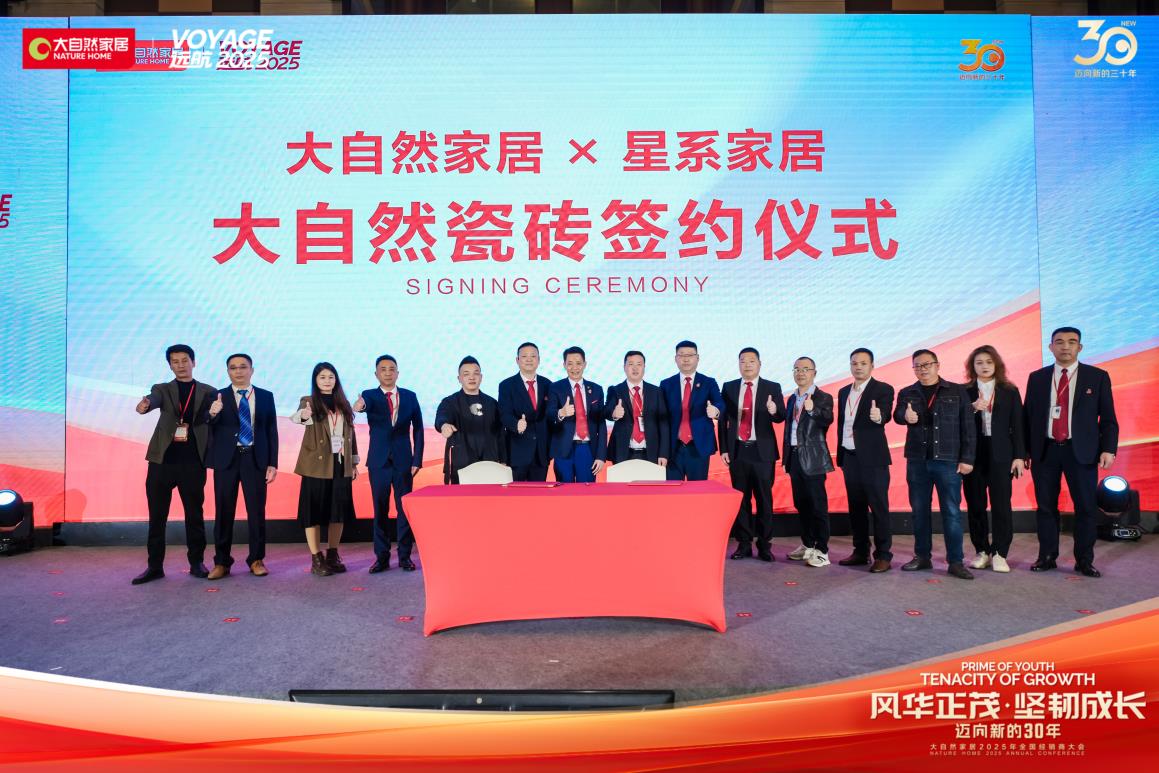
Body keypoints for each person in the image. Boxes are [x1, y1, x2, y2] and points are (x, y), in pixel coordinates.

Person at [1024, 327, 1118, 577]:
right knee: (1046, 507)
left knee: (1086, 507)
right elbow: (1027, 417)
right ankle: (1047, 556)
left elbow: (1108, 418)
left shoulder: (1097, 376)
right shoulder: (1037, 378)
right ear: (1051, 347)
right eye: (1059, 342)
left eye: (1072, 342)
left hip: (1082, 452)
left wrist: (1109, 449)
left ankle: (1084, 560)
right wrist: (1024, 451)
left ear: (1080, 347)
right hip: (1045, 451)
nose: (1065, 346)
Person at [131, 344, 218, 585]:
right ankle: (154, 567)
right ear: (170, 365)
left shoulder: (209, 391)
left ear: (194, 362)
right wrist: (145, 405)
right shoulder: (162, 389)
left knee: (194, 515)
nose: (180, 365)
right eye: (175, 361)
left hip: (193, 463)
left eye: (184, 360)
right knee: (157, 516)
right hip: (162, 462)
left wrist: (214, 413)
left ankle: (196, 563)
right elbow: (153, 400)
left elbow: (213, 417)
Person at [894, 349, 976, 580]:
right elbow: (898, 414)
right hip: (917, 461)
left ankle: (956, 561)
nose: (922, 369)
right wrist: (905, 417)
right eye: (917, 366)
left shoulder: (957, 391)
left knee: (951, 512)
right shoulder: (907, 392)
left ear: (937, 365)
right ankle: (922, 556)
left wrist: (968, 458)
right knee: (919, 511)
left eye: (927, 364)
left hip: (948, 461)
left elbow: (968, 427)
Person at [205, 353, 278, 579]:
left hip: (255, 459)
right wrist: (212, 414)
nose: (238, 371)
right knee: (223, 511)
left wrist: (272, 463)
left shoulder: (266, 396)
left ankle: (256, 559)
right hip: (226, 460)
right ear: (228, 371)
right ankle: (221, 562)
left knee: (256, 512)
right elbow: (207, 425)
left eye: (243, 367)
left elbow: (271, 431)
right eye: (233, 367)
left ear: (251, 370)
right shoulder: (217, 396)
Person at [354, 355, 423, 573]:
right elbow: (363, 406)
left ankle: (405, 556)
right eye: (383, 369)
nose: (387, 373)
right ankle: (382, 557)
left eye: (391, 369)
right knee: (380, 509)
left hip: (404, 461)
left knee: (404, 510)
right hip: (379, 462)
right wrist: (359, 406)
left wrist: (417, 459)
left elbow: (418, 429)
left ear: (397, 373)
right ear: (376, 374)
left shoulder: (410, 396)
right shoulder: (369, 395)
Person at [962, 345, 1026, 574]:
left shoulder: (1010, 390)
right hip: (973, 454)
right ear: (972, 367)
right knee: (975, 504)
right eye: (979, 362)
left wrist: (1019, 456)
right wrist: (971, 409)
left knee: (1001, 505)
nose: (985, 366)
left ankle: (1000, 553)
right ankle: (982, 551)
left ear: (996, 364)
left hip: (1002, 454)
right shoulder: (964, 391)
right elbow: (955, 423)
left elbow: (1018, 425)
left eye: (989, 362)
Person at [292, 362, 358, 577]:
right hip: (317, 465)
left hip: (340, 464)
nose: (327, 381)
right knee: (313, 513)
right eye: (322, 377)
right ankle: (316, 558)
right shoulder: (309, 401)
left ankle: (332, 554)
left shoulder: (343, 403)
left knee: (337, 513)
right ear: (315, 381)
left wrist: (353, 462)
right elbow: (299, 417)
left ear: (336, 380)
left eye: (331, 377)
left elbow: (351, 434)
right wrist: (304, 414)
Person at [718, 347, 785, 562]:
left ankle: (765, 545)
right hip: (738, 450)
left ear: (759, 364)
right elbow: (723, 421)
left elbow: (780, 416)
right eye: (743, 361)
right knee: (741, 500)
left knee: (764, 499)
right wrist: (724, 448)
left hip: (762, 451)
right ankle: (744, 544)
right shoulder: (729, 387)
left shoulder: (772, 387)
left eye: (751, 361)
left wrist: (774, 410)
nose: (747, 364)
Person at [836, 348, 895, 573]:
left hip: (873, 459)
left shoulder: (883, 389)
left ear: (872, 366)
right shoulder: (843, 392)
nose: (858, 367)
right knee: (856, 507)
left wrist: (879, 416)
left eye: (863, 363)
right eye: (854, 363)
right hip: (849, 456)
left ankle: (883, 555)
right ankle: (860, 551)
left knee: (879, 508)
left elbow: (886, 413)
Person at [783, 357, 835, 567]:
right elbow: (789, 429)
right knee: (801, 504)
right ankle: (808, 545)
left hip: (813, 458)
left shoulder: (823, 397)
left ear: (814, 372)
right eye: (797, 369)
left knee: (817, 505)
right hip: (794, 457)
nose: (801, 373)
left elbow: (827, 420)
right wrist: (786, 457)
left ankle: (822, 550)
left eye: (805, 369)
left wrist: (813, 409)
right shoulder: (791, 398)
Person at [435, 356, 506, 484]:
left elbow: (501, 434)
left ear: (481, 377)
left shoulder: (492, 403)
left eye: (476, 373)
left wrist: (503, 460)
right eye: (466, 374)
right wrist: (444, 425)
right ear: (459, 378)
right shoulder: (450, 402)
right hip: (461, 464)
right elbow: (442, 416)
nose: (472, 377)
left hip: (490, 464)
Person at [661, 340, 724, 481]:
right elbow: (661, 415)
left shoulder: (708, 382)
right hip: (673, 448)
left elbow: (720, 402)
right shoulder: (666, 384)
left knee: (698, 490)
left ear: (697, 358)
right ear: (675, 359)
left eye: (690, 355)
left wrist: (716, 410)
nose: (686, 359)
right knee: (672, 490)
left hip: (698, 446)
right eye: (681, 355)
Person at [547, 346, 607, 482]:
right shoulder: (555, 387)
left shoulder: (596, 389)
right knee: (564, 491)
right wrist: (561, 412)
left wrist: (601, 456)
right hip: (563, 449)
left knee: (586, 491)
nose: (574, 367)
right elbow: (549, 415)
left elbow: (601, 424)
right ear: (564, 365)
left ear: (585, 364)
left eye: (578, 363)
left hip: (587, 449)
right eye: (570, 363)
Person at [498, 342, 552, 482]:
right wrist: (516, 424)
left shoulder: (548, 384)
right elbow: (504, 414)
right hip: (517, 451)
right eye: (524, 356)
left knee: (539, 493)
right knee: (516, 493)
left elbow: (550, 416)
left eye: (533, 356)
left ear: (539, 360)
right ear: (517, 360)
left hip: (541, 453)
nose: (529, 359)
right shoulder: (506, 385)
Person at [606, 350, 669, 466]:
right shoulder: (615, 390)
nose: (635, 368)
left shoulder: (656, 392)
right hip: (623, 452)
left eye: (639, 364)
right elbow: (606, 411)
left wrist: (663, 453)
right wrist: (614, 414)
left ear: (644, 367)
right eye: (631, 364)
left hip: (651, 452)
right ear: (624, 367)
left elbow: (664, 424)